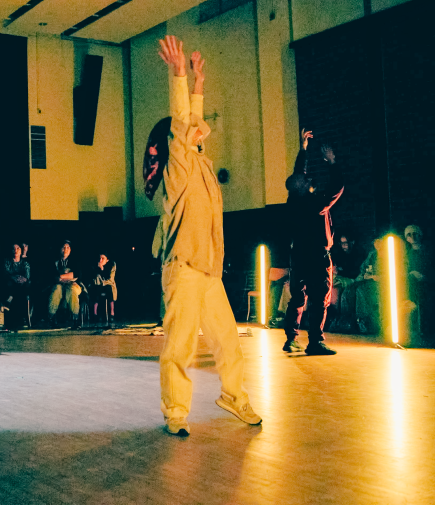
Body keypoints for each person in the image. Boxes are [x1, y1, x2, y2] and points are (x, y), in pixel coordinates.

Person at [147, 35, 260, 436]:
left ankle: (234, 396)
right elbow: (182, 124)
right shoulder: (177, 169)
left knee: (228, 342)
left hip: (209, 272)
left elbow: (191, 123)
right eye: (191, 131)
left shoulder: (204, 167)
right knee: (180, 347)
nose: (198, 131)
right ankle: (175, 411)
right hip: (183, 268)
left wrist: (199, 84)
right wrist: (179, 75)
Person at [282, 128, 344, 355]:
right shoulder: (314, 205)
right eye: (306, 180)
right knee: (319, 298)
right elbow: (337, 189)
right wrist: (333, 162)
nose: (309, 178)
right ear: (302, 187)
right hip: (317, 255)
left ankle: (291, 339)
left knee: (297, 297)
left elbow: (299, 173)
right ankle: (315, 342)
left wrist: (303, 150)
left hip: (298, 254)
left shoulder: (294, 200)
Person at [47, 241, 82, 328]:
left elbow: (77, 274)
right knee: (56, 289)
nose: (65, 249)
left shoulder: (75, 260)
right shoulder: (54, 261)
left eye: (68, 247)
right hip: (59, 284)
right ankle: (51, 317)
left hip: (72, 284)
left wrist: (61, 276)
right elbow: (52, 276)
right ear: (60, 249)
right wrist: (63, 278)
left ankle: (75, 318)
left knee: (72, 290)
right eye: (63, 247)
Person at [0, 243, 31, 330]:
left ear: (21, 251)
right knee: (10, 284)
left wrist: (22, 279)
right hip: (10, 284)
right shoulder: (7, 261)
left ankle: (11, 298)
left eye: (18, 248)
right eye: (14, 249)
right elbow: (5, 273)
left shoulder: (25, 263)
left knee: (24, 286)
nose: (16, 251)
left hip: (21, 286)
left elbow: (27, 276)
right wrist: (14, 277)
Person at [89, 253, 117, 321]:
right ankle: (95, 314)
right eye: (100, 258)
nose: (100, 260)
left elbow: (110, 279)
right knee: (96, 291)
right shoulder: (95, 266)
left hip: (108, 285)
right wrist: (99, 269)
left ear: (107, 260)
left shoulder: (111, 266)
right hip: (98, 286)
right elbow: (95, 280)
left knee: (109, 290)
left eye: (103, 258)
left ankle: (112, 313)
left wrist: (102, 269)